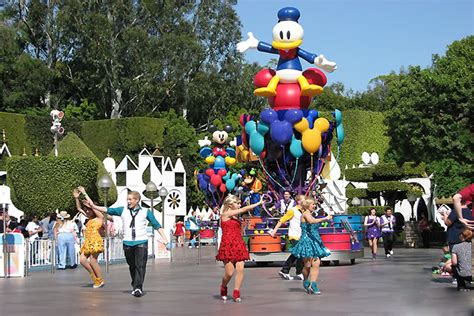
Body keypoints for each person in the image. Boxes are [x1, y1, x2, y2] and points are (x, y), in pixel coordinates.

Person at [89, 190, 170, 297]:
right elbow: (107, 210)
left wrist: (165, 239)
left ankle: (138, 288)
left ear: (137, 200)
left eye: (130, 199)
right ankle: (135, 284)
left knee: (140, 265)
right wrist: (93, 206)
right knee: (132, 265)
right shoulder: (123, 210)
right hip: (127, 243)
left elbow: (156, 225)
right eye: (128, 199)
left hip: (141, 242)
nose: (128, 201)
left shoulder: (146, 212)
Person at [216, 194, 264, 302]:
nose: (238, 205)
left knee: (241, 270)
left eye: (239, 203)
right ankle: (223, 286)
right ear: (230, 204)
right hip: (228, 245)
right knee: (229, 273)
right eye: (236, 203)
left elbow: (238, 230)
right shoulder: (225, 214)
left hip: (238, 244)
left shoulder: (235, 216)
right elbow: (244, 209)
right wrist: (258, 203)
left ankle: (236, 293)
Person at [290, 197, 332, 295]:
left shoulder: (311, 213)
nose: (314, 206)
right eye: (312, 204)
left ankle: (313, 284)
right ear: (307, 205)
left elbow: (314, 222)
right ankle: (305, 279)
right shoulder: (305, 214)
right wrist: (325, 218)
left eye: (314, 204)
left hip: (315, 239)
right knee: (308, 265)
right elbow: (311, 221)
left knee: (316, 263)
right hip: (306, 241)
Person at [74, 187, 105, 288]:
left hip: (95, 241)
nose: (87, 211)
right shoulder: (89, 219)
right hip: (88, 241)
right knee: (82, 260)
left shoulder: (99, 218)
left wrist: (85, 193)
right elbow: (79, 209)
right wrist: (77, 198)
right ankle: (94, 277)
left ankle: (99, 280)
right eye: (86, 210)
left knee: (93, 260)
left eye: (88, 210)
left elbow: (93, 206)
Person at [270, 194, 305, 280]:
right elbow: (281, 220)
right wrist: (274, 231)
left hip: (301, 235)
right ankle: (293, 271)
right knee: (299, 253)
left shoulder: (304, 211)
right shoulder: (292, 211)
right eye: (304, 200)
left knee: (297, 254)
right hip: (294, 235)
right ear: (299, 201)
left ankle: (288, 271)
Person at [442, 199, 472, 291]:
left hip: (455, 238)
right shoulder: (470, 212)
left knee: (456, 261)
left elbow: (448, 223)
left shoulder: (455, 212)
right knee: (467, 258)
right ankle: (468, 278)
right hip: (468, 236)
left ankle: (461, 283)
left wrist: (445, 216)